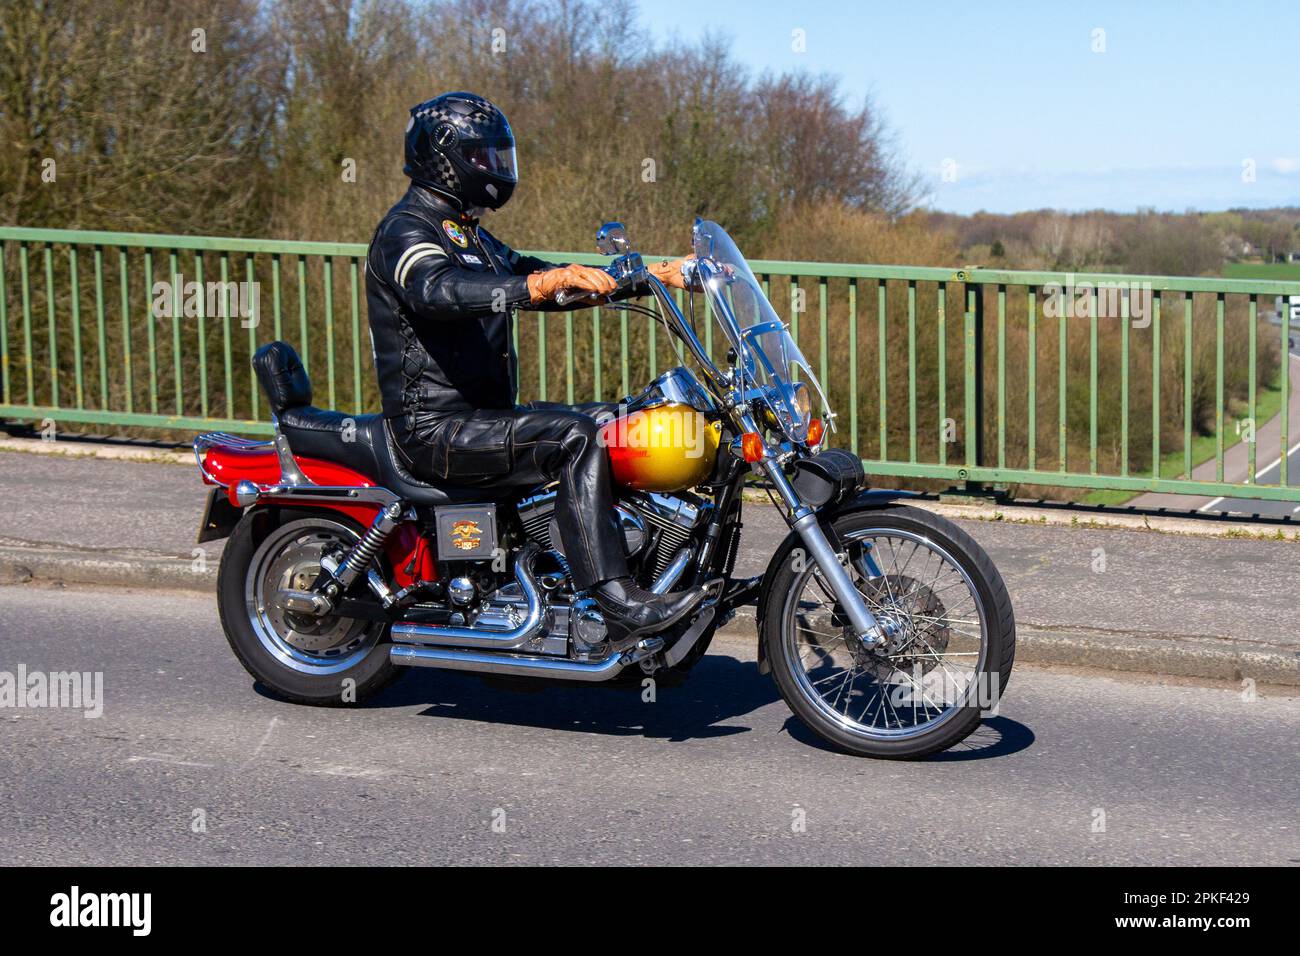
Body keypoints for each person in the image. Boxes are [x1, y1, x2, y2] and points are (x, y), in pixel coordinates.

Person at [365, 91, 706, 643]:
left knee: (620, 418)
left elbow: (549, 279)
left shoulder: (467, 232)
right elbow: (437, 289)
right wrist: (531, 286)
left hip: (483, 415)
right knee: (575, 437)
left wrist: (652, 275)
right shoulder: (407, 230)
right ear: (445, 157)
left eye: (500, 157)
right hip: (436, 429)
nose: (497, 169)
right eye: (485, 158)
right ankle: (614, 597)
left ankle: (639, 564)